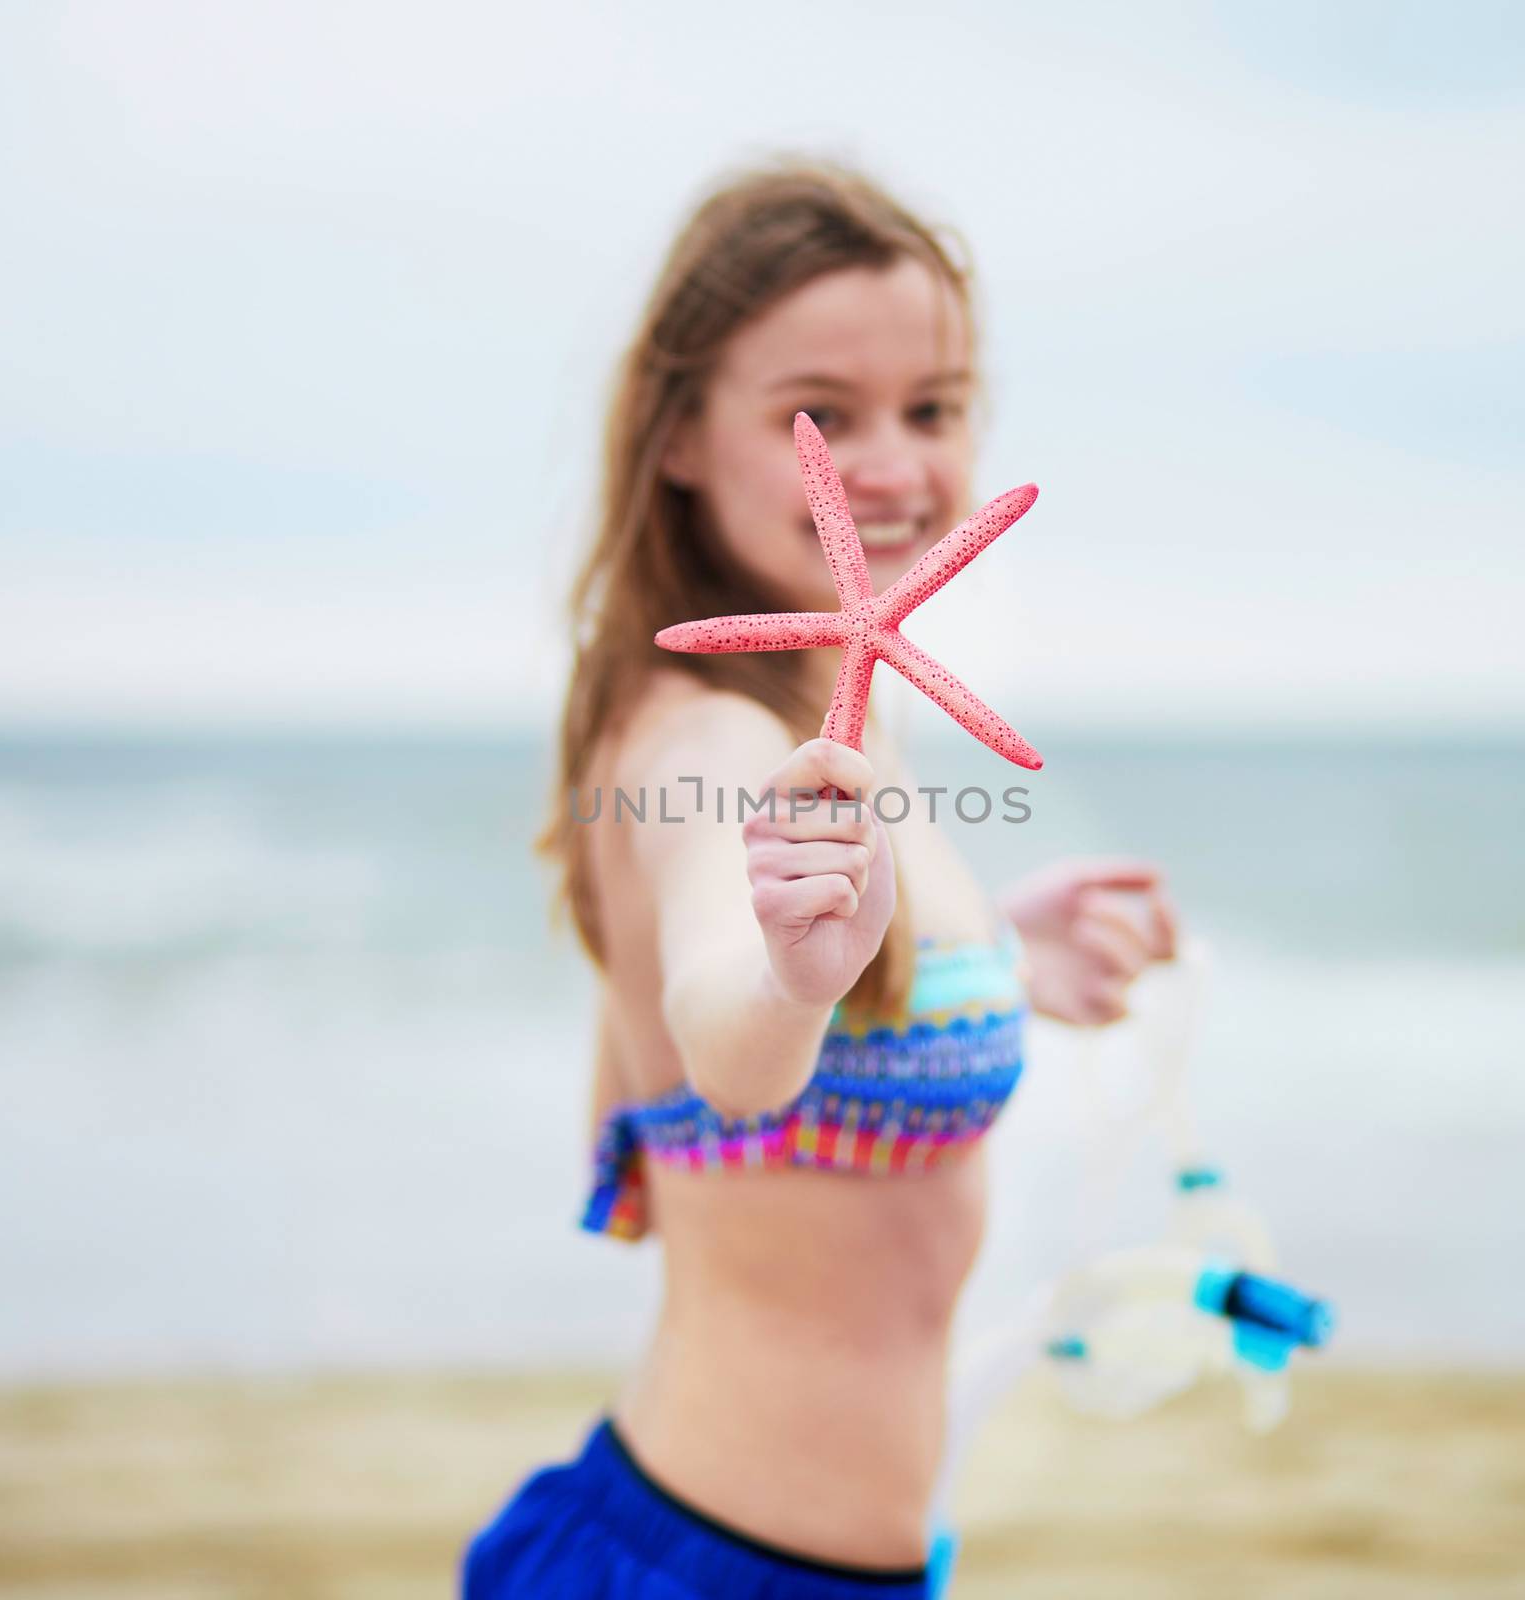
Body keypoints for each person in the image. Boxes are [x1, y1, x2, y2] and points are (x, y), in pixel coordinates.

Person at [463, 159, 1180, 1598]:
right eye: (820, 415)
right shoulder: (711, 740)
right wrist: (792, 975)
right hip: (708, 1567)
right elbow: (730, 1037)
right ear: (676, 436)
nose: (892, 468)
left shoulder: (834, 711)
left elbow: (765, 1026)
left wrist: (998, 965)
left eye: (934, 407)